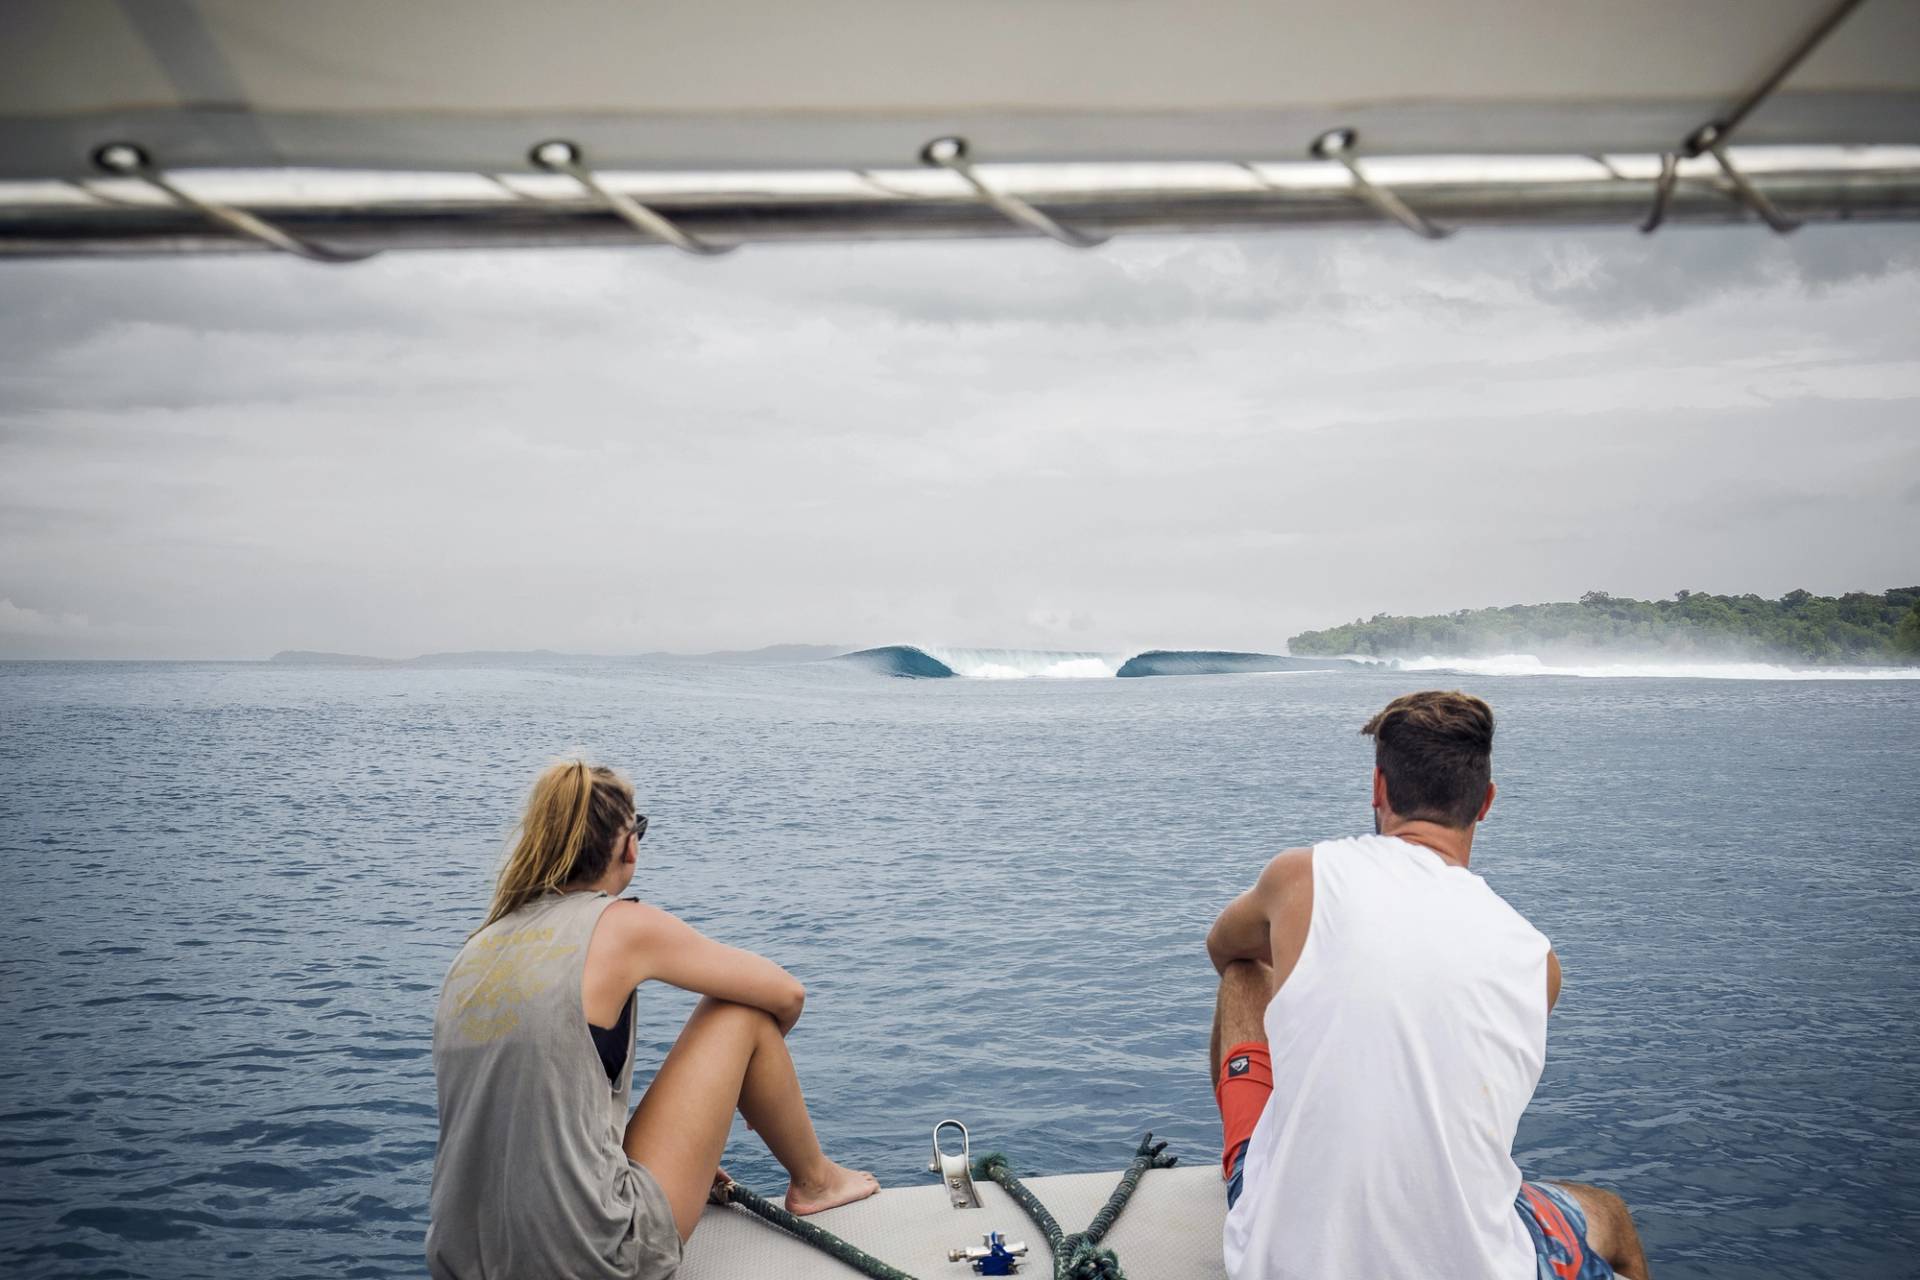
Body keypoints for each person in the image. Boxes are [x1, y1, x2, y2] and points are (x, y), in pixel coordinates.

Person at [1206, 691, 1649, 1280]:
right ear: (1486, 803)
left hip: (1278, 1258)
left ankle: (1251, 1159)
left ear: (1378, 789)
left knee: (1245, 971)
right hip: (1485, 1265)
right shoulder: (1538, 961)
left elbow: (1223, 947)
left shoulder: (1301, 876)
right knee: (1609, 1215)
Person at [426, 760, 878, 1280]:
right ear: (628, 846)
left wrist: (686, 1150)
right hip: (594, 1255)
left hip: (463, 1263)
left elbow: (539, 1107)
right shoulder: (620, 926)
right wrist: (749, 1088)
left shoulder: (477, 949)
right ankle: (817, 1181)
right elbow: (786, 994)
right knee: (740, 1011)